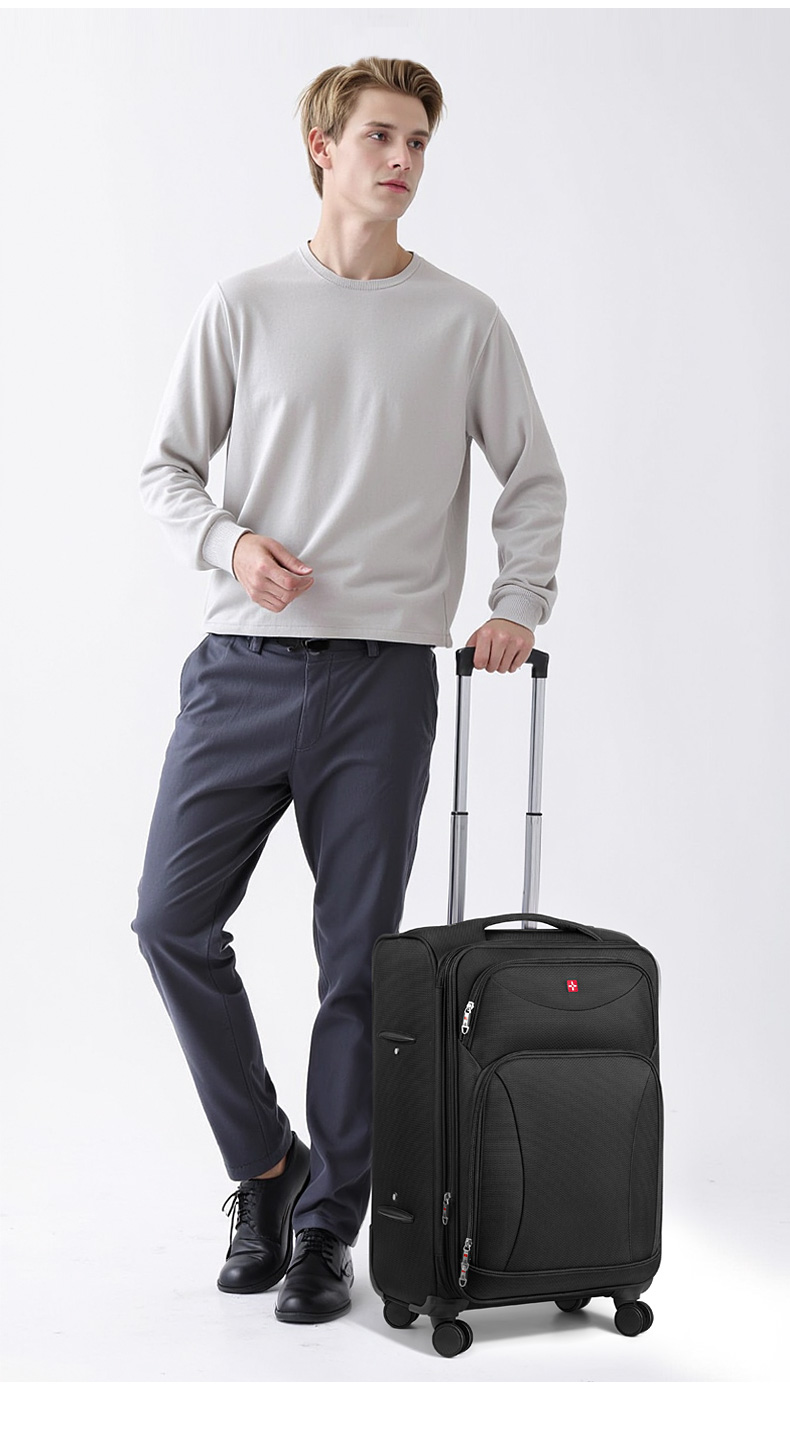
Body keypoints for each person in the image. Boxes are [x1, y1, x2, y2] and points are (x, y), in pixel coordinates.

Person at [131, 55, 567, 1326]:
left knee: (359, 966)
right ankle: (268, 1168)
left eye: (418, 141)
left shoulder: (463, 319)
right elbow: (165, 468)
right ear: (322, 147)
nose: (402, 161)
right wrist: (230, 545)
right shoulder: (245, 303)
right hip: (242, 671)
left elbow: (533, 476)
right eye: (380, 135)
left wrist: (516, 599)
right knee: (168, 922)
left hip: (382, 680)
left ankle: (329, 1227)